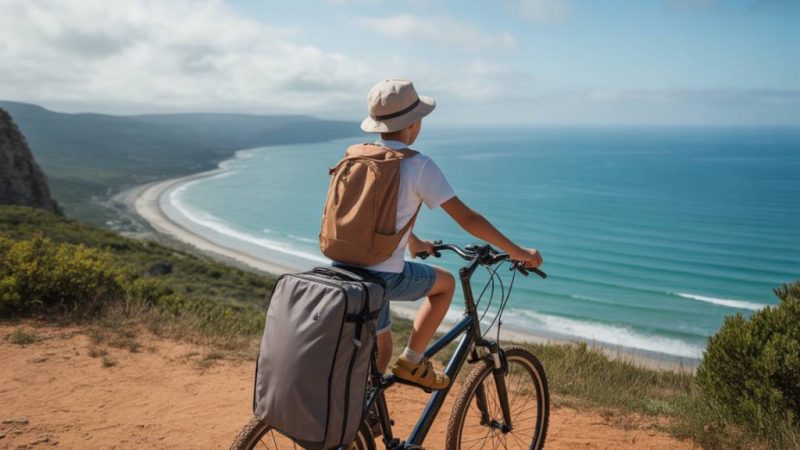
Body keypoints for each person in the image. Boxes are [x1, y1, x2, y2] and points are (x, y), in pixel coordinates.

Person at [337, 79, 543, 390]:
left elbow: (374, 214)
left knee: (380, 355)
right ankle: (412, 360)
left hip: (344, 268)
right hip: (382, 276)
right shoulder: (417, 165)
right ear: (414, 123)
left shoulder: (357, 157)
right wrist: (519, 252)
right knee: (445, 284)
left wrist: (413, 241)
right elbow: (468, 218)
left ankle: (359, 415)